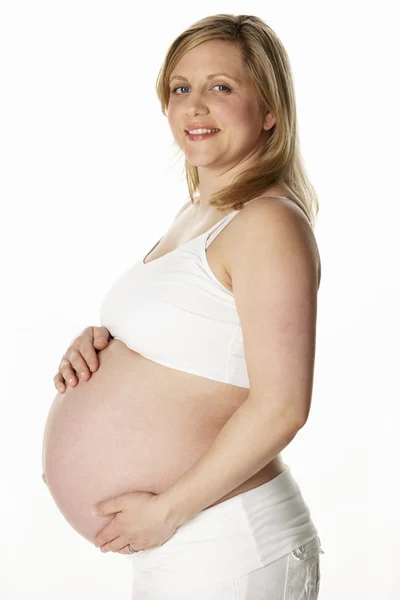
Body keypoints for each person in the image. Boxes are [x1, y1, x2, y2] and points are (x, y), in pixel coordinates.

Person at [50, 13, 324, 600]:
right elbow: (200, 337)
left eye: (220, 87)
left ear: (269, 109)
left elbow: (284, 407)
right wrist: (106, 341)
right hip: (184, 544)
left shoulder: (268, 222)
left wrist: (167, 511)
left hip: (225, 542)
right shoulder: (200, 214)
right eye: (181, 89)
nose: (195, 105)